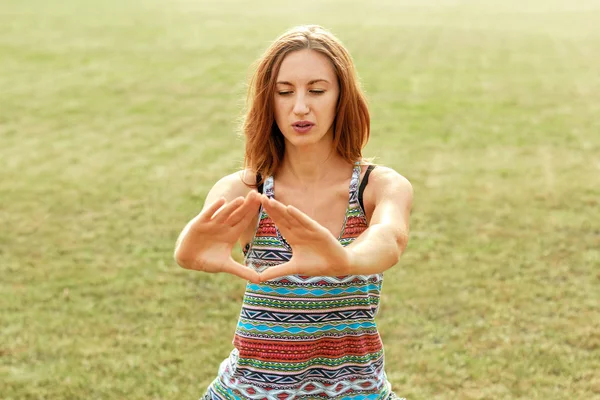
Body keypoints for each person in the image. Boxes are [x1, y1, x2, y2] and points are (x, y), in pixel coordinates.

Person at [174, 25, 413, 400]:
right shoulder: (245, 191)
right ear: (268, 102)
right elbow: (196, 245)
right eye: (284, 92)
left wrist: (344, 259)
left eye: (317, 90)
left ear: (341, 97)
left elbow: (390, 238)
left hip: (356, 392)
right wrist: (190, 249)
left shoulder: (380, 186)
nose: (300, 106)